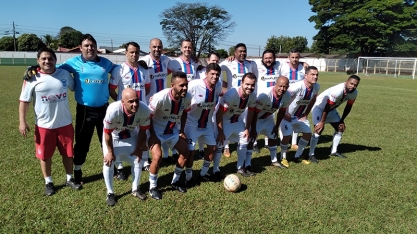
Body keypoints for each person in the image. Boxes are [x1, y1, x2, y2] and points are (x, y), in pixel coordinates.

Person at [19, 48, 81, 196]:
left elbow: (74, 86)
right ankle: (49, 182)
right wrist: (22, 121)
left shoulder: (64, 74)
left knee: (68, 153)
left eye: (50, 58)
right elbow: (24, 101)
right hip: (43, 125)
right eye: (44, 59)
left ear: (55, 60)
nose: (47, 61)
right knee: (45, 156)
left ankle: (69, 178)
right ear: (38, 61)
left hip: (64, 123)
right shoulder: (31, 78)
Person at [58, 34, 115, 184]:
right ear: (81, 48)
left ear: (96, 47)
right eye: (86, 46)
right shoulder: (73, 63)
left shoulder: (105, 63)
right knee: (83, 142)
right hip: (85, 110)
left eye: (92, 45)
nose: (90, 48)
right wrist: (35, 68)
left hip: (104, 109)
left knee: (107, 140)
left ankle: (111, 169)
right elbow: (52, 68)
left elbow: (118, 69)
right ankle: (77, 170)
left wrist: (140, 65)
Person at [147, 71, 192, 200]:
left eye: (186, 85)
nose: (185, 88)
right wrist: (153, 135)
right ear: (172, 85)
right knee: (157, 157)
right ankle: (153, 186)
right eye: (181, 85)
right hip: (156, 131)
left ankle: (175, 181)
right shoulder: (160, 97)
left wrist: (181, 130)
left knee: (185, 152)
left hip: (172, 132)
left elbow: (184, 113)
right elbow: (148, 117)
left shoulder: (187, 97)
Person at [109, 41, 150, 180]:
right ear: (126, 53)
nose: (134, 54)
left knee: (143, 135)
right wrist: (120, 103)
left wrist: (141, 102)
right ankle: (120, 167)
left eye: (137, 52)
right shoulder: (119, 70)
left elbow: (147, 88)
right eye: (131, 52)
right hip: (124, 112)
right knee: (120, 137)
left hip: (141, 110)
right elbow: (111, 89)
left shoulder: (145, 70)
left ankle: (144, 160)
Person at [102, 88, 149, 206]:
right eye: (131, 101)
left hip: (131, 135)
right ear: (122, 102)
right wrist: (110, 152)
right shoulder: (113, 110)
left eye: (137, 100)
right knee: (109, 162)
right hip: (114, 136)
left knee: (138, 159)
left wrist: (138, 148)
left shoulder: (144, 109)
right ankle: (110, 193)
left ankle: (135, 189)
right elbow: (107, 133)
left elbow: (143, 131)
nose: (135, 104)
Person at [183, 63, 223, 183]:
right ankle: (188, 177)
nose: (215, 77)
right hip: (192, 124)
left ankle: (203, 173)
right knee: (191, 151)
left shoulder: (218, 86)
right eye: (212, 74)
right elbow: (181, 92)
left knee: (212, 147)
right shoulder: (194, 85)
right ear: (206, 74)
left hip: (207, 124)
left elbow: (219, 95)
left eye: (217, 75)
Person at [219, 43, 258, 157]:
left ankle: (246, 143)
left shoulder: (251, 64)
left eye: (244, 51)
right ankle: (226, 147)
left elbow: (255, 77)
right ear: (234, 53)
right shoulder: (228, 62)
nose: (242, 53)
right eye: (240, 51)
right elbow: (215, 68)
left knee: (244, 121)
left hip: (246, 99)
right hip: (232, 98)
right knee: (227, 121)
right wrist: (222, 86)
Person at [215, 73, 257, 177]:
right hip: (224, 121)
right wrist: (220, 132)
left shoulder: (252, 96)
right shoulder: (231, 95)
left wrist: (247, 128)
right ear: (241, 83)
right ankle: (215, 170)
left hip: (237, 120)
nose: (250, 87)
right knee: (220, 143)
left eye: (252, 85)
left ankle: (240, 168)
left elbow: (251, 112)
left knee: (244, 140)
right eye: (247, 84)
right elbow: (219, 114)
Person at [308, 75, 360, 159]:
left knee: (340, 128)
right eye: (351, 83)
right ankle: (311, 154)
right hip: (319, 108)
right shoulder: (338, 90)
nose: (353, 86)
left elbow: (348, 107)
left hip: (331, 110)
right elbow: (327, 106)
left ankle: (334, 151)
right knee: (319, 129)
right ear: (346, 81)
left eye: (355, 85)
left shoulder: (354, 93)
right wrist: (322, 122)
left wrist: (342, 120)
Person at [140, 38, 174, 164]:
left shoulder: (166, 60)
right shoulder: (143, 61)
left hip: (163, 101)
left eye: (159, 47)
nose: (157, 49)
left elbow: (179, 66)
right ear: (150, 47)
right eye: (154, 47)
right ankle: (145, 159)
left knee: (163, 126)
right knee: (146, 130)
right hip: (148, 102)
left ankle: (166, 155)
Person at [279, 66, 320, 167]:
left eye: (317, 75)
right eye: (312, 74)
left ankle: (298, 156)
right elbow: (282, 97)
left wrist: (306, 113)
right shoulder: (296, 86)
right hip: (287, 116)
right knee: (287, 136)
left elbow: (313, 99)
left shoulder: (316, 87)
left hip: (299, 116)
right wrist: (285, 113)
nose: (315, 77)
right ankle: (283, 157)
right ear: (306, 75)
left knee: (307, 134)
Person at [166, 39, 200, 160]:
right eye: (185, 47)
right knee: (175, 123)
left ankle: (187, 146)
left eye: (189, 47)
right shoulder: (174, 63)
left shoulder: (195, 62)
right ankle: (170, 153)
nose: (187, 49)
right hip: (177, 98)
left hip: (191, 99)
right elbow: (163, 74)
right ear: (181, 48)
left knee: (187, 123)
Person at [250, 76, 291, 168]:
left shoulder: (287, 95)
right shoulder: (265, 95)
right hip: (255, 118)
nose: (282, 89)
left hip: (267, 118)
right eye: (280, 86)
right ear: (275, 84)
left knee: (273, 136)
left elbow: (282, 111)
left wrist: (276, 126)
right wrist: (253, 128)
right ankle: (247, 163)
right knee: (250, 140)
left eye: (285, 87)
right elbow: (255, 112)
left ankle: (274, 160)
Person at [253, 49, 282, 153]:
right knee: (255, 121)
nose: (268, 60)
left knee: (270, 120)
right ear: (262, 59)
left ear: (274, 58)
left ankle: (267, 143)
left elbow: (291, 61)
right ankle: (254, 143)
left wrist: (302, 63)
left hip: (273, 100)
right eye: (266, 58)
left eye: (270, 58)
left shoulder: (279, 65)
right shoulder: (256, 65)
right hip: (260, 99)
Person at [279, 48, 308, 151]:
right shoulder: (283, 66)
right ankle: (283, 141)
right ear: (288, 57)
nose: (295, 59)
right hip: (284, 96)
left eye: (297, 57)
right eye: (293, 57)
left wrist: (304, 63)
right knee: (284, 118)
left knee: (296, 118)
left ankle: (294, 142)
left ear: (299, 58)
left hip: (298, 98)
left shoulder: (303, 67)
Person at [195, 51, 222, 159]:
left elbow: (219, 90)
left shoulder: (218, 76)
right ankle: (201, 149)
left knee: (210, 124)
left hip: (212, 104)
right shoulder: (200, 71)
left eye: (216, 61)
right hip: (198, 104)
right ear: (208, 60)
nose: (215, 62)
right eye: (213, 60)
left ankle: (213, 145)